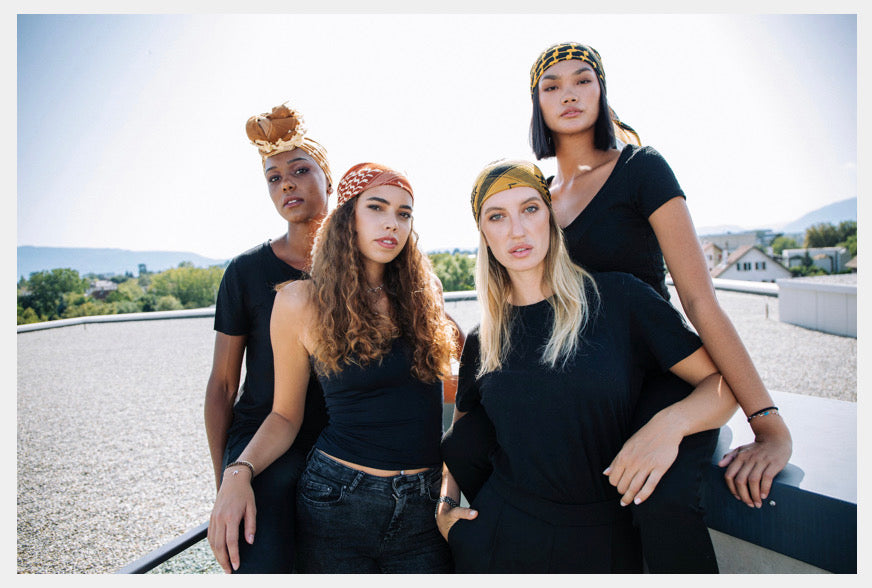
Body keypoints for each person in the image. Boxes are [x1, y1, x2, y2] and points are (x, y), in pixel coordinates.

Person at [441, 42, 793, 572]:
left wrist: (766, 422)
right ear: (535, 104)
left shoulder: (640, 169)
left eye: (583, 80)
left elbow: (698, 297)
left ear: (602, 90)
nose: (569, 94)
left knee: (663, 500)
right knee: (467, 439)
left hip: (655, 365)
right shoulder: (541, 200)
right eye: (551, 86)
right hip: (586, 371)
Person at [436, 159, 738, 573]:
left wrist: (670, 426)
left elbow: (720, 384)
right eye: (497, 217)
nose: (517, 230)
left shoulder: (619, 299)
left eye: (530, 209)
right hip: (497, 544)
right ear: (484, 234)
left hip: (603, 544)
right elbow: (462, 433)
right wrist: (446, 504)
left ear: (550, 216)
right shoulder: (483, 339)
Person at [208, 162, 458, 573]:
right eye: (376, 208)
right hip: (339, 501)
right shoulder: (299, 301)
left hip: (424, 507)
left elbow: (446, 394)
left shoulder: (424, 293)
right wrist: (236, 474)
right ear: (348, 218)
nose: (391, 223)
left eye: (404, 213)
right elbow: (285, 415)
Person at [204, 103, 332, 573]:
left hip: (335, 433)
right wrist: (227, 478)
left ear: (328, 179)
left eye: (300, 170)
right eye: (274, 178)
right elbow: (221, 386)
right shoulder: (245, 272)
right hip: (264, 433)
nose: (287, 184)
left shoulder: (360, 268)